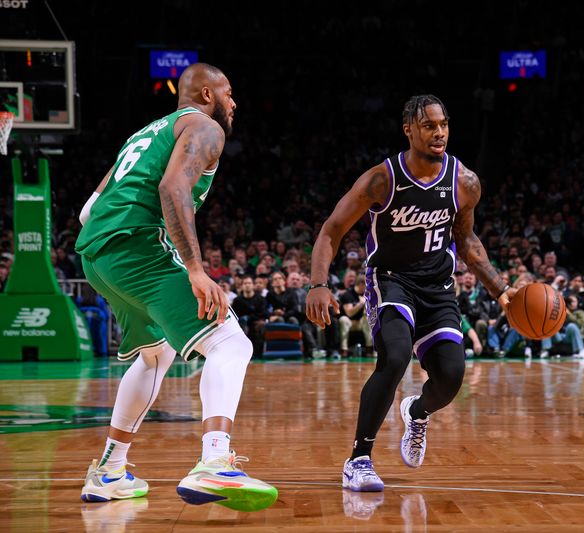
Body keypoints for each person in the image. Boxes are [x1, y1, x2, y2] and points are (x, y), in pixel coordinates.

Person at [74, 63, 276, 511]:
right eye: (229, 93)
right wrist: (195, 268)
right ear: (206, 95)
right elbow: (172, 187)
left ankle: (109, 470)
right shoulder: (205, 127)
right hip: (137, 247)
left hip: (96, 255)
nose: (234, 103)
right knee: (231, 344)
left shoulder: (144, 134)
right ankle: (215, 461)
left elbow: (89, 211)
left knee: (156, 354)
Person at [306, 95, 516, 492]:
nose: (439, 133)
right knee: (396, 357)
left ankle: (416, 411)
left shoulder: (464, 182)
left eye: (444, 125)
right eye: (429, 126)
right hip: (390, 279)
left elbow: (467, 240)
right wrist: (319, 284)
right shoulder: (382, 179)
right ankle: (359, 460)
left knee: (451, 376)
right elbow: (331, 230)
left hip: (437, 286)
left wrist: (501, 290)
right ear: (409, 130)